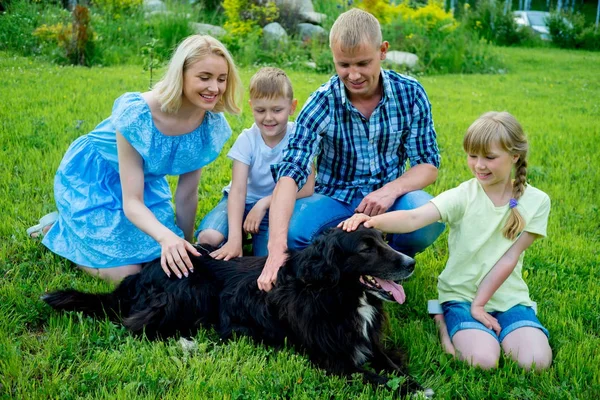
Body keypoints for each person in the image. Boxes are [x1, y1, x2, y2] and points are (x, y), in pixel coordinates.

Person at [340, 111, 553, 371]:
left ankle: (495, 323)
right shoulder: (463, 195)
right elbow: (414, 218)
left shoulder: (537, 201)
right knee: (483, 362)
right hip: (461, 295)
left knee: (536, 363)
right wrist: (371, 221)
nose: (479, 165)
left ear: (515, 156)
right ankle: (443, 319)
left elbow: (509, 258)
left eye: (490, 157)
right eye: (472, 156)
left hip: (508, 298)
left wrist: (481, 305)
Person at [27, 35, 242, 283]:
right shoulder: (137, 113)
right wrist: (164, 237)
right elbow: (132, 202)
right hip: (94, 180)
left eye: (221, 79)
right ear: (180, 75)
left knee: (156, 263)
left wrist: (183, 243)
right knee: (126, 274)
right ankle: (58, 229)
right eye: (204, 78)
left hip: (144, 183)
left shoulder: (209, 124)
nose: (214, 88)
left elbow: (186, 194)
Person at [257, 8, 444, 291]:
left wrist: (389, 191)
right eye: (343, 65)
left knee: (427, 216)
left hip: (388, 199)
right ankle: (352, 263)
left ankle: (389, 258)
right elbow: (291, 173)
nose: (353, 74)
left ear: (382, 51)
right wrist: (276, 250)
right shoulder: (321, 102)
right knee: (296, 233)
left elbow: (427, 164)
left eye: (363, 63)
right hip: (335, 198)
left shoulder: (411, 93)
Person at [196, 67, 315, 259]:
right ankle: (237, 234)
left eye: (277, 110)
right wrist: (234, 239)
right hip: (240, 201)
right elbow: (238, 191)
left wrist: (265, 202)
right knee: (209, 238)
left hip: (276, 206)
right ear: (252, 107)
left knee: (268, 258)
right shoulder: (247, 139)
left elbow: (308, 188)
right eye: (260, 110)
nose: (268, 117)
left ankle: (251, 235)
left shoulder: (299, 138)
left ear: (292, 107)